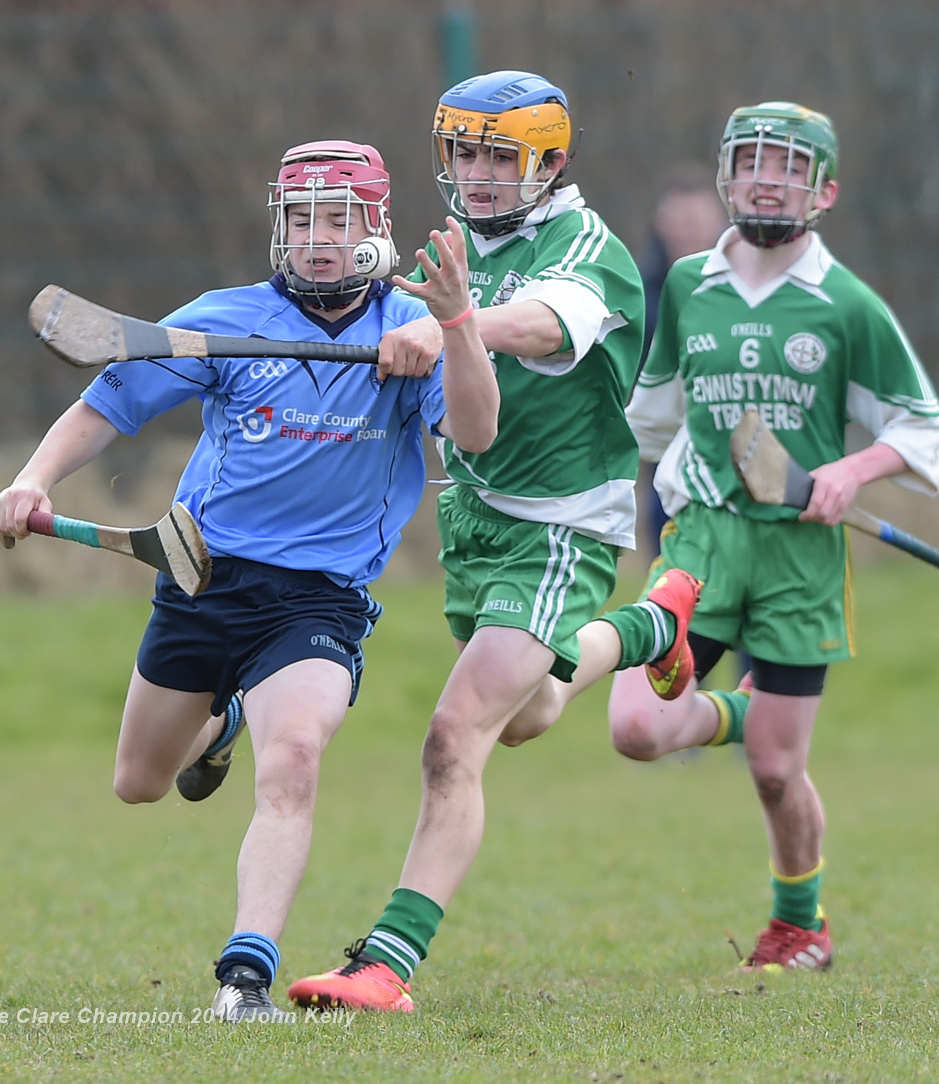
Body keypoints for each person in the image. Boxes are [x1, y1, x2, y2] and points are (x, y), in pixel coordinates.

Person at [0, 139, 501, 1021]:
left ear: (375, 226)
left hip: (319, 599)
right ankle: (220, 723)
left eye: (339, 220)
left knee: (295, 758)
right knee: (139, 780)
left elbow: (478, 431)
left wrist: (453, 328)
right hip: (201, 575)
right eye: (302, 220)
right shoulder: (227, 316)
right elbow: (107, 405)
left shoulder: (408, 333)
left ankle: (245, 976)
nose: (318, 239)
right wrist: (34, 479)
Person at [286, 70, 704, 1013]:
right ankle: (651, 626)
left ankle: (385, 965)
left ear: (551, 163)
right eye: (463, 152)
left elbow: (548, 324)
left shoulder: (588, 247)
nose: (476, 174)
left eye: (500, 157)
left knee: (454, 735)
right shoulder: (457, 242)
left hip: (562, 524)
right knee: (527, 716)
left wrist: (454, 325)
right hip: (475, 517)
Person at [609, 101, 939, 971]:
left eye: (791, 165)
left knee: (772, 771)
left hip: (800, 555)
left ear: (825, 190)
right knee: (639, 729)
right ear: (726, 174)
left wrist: (850, 472)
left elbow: (921, 430)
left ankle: (801, 924)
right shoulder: (688, 284)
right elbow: (649, 419)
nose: (768, 176)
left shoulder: (847, 305)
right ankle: (745, 707)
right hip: (704, 537)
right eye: (752, 159)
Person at [635, 164, 729, 561]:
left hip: (729, 448)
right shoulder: (638, 293)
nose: (688, 229)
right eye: (680, 218)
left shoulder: (745, 291)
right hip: (662, 452)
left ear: (721, 223)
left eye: (698, 219)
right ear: (661, 223)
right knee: (669, 565)